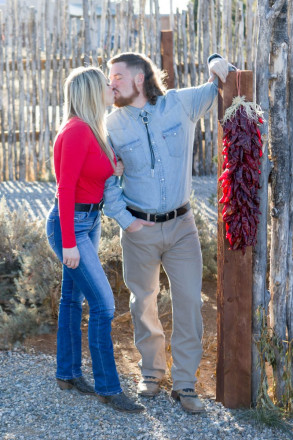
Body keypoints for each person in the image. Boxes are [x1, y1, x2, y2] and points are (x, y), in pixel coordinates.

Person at [103, 52, 231, 414]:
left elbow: (220, 84)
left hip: (181, 228)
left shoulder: (179, 104)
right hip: (138, 230)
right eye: (109, 78)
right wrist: (124, 219)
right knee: (142, 302)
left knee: (190, 301)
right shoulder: (111, 124)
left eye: (117, 77)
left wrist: (217, 61)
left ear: (140, 78)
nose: (110, 83)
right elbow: (107, 180)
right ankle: (151, 373)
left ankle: (186, 383)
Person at [45, 66, 144, 413]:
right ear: (91, 91)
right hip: (70, 224)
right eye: (106, 84)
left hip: (88, 220)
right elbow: (65, 188)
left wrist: (114, 168)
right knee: (103, 305)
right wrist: (70, 243)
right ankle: (108, 387)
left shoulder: (93, 129)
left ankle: (67, 373)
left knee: (71, 301)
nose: (111, 87)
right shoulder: (75, 131)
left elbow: (100, 171)